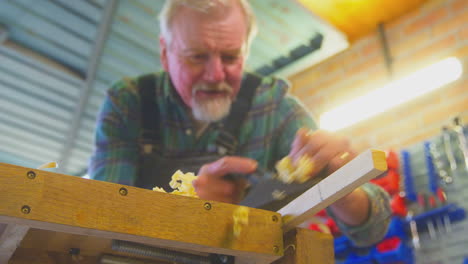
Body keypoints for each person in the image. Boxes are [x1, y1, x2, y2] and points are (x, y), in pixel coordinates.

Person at [89, 0, 390, 247]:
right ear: (166, 54)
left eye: (231, 57)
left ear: (246, 51)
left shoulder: (273, 108)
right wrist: (186, 211)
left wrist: (344, 189)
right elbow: (97, 218)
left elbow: (371, 231)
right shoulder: (128, 104)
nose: (216, 75)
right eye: (197, 57)